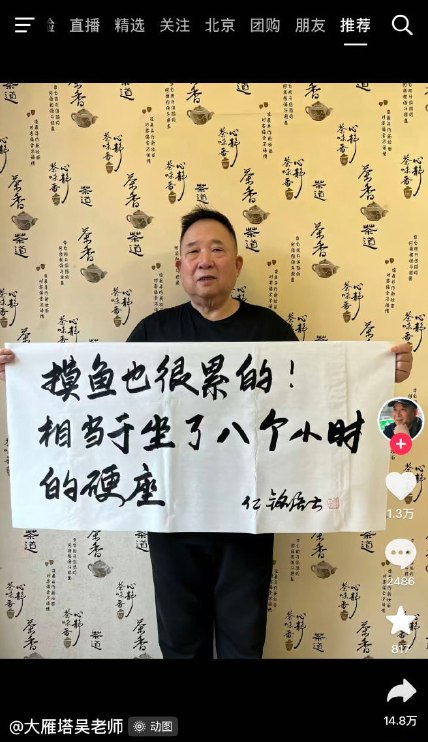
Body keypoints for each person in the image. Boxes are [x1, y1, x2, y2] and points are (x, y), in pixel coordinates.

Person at [0, 208, 414, 660]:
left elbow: (317, 405)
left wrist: (380, 374)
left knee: (244, 644)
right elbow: (108, 409)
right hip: (171, 519)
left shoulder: (269, 330)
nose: (205, 260)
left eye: (217, 250)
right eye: (193, 251)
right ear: (180, 266)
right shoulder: (153, 332)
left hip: (249, 521)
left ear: (236, 264)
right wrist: (25, 379)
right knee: (180, 645)